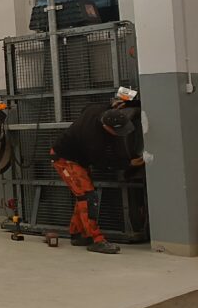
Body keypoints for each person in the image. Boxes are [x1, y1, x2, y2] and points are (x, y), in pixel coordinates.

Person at [50, 102, 143, 254]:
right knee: (88, 197)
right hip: (65, 159)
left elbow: (85, 108)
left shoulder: (99, 109)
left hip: (78, 158)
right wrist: (128, 163)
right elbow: (103, 163)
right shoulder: (94, 140)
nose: (120, 135)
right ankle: (96, 240)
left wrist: (112, 104)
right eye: (117, 131)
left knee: (83, 196)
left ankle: (78, 233)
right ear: (106, 127)